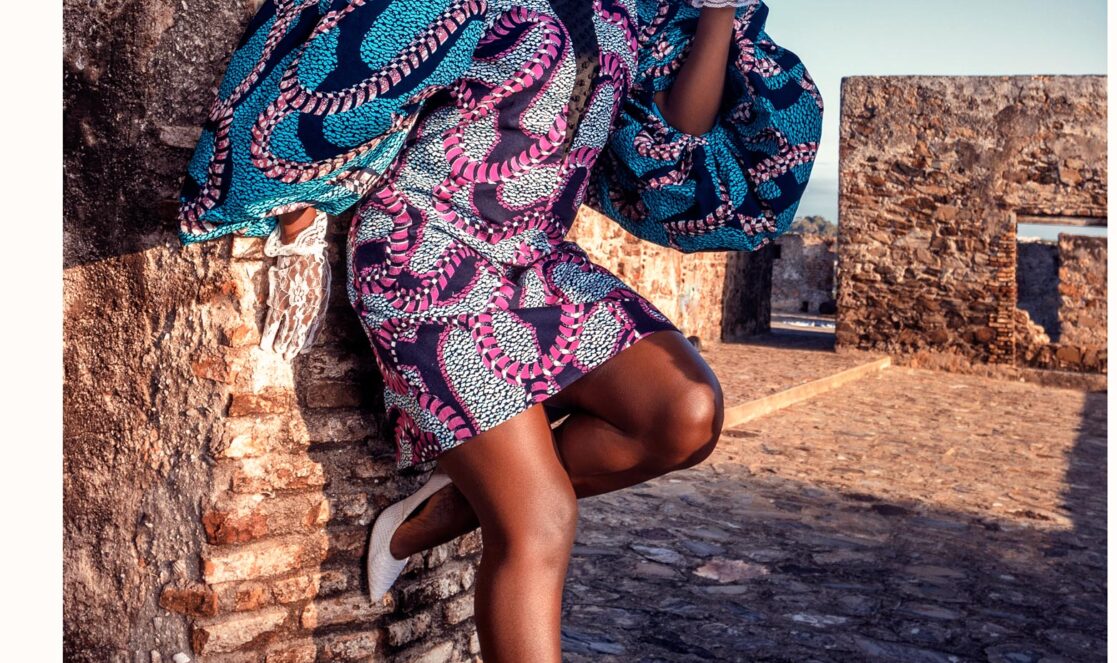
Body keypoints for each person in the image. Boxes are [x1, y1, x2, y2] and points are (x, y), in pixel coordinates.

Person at [176, 0, 821, 660]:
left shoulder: (636, 9)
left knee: (686, 413)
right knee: (542, 520)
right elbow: (357, 63)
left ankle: (456, 505)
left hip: (538, 258)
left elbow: (677, 138)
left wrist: (717, 10)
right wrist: (300, 213)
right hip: (426, 257)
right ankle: (497, 496)